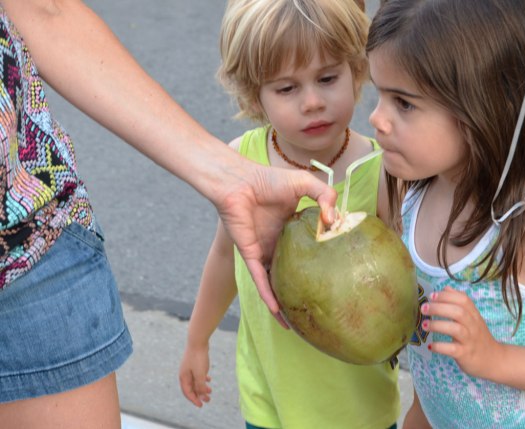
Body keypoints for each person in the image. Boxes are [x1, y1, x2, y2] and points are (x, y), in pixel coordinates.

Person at [0, 1, 336, 427]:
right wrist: (197, 339)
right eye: (287, 88)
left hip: (32, 242)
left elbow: (45, 10)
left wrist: (225, 176)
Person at [366, 0, 525, 427]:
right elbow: (433, 366)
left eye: (403, 103)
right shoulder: (410, 192)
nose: (376, 119)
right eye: (379, 93)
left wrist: (495, 359)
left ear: (485, 103)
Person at [179, 1, 401, 428]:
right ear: (254, 93)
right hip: (270, 402)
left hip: (359, 408)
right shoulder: (242, 162)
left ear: (357, 69)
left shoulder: (381, 170)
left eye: (327, 77)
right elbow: (226, 257)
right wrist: (196, 339)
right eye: (286, 89)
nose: (313, 102)